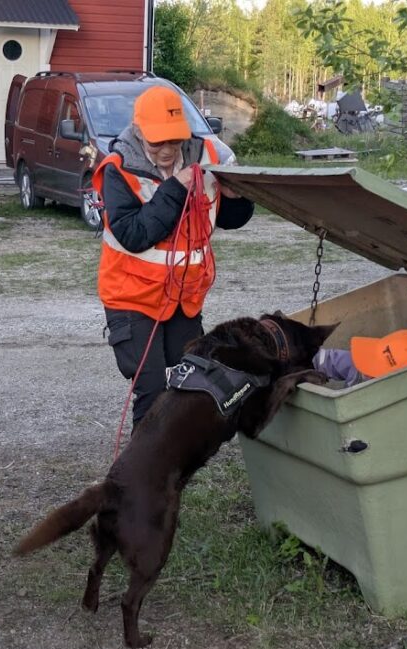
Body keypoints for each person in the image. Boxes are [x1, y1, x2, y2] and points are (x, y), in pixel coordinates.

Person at [93, 86, 255, 428]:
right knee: (152, 390)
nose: (168, 150)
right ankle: (143, 460)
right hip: (131, 297)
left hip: (184, 297)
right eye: (158, 142)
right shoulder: (119, 169)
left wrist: (238, 197)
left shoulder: (209, 155)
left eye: (175, 140)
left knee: (190, 384)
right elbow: (134, 235)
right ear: (139, 131)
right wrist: (176, 189)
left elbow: (231, 219)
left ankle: (179, 453)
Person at [313, 328, 407, 386]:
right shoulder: (358, 364)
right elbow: (329, 360)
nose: (365, 371)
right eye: (373, 359)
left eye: (375, 369)